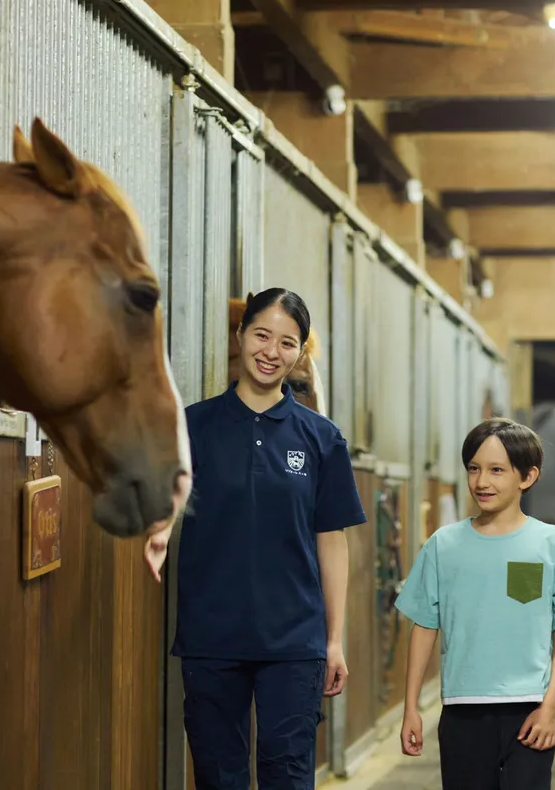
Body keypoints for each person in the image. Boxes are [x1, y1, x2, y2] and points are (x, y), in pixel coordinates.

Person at [143, 288, 367, 790]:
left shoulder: (322, 438)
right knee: (218, 776)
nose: (271, 352)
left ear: (300, 353)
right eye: (262, 335)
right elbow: (168, 494)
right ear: (241, 335)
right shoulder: (194, 425)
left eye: (287, 343)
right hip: (211, 634)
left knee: (287, 775)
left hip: (295, 640)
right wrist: (159, 531)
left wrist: (333, 640)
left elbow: (332, 540)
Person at [396, 417, 555, 790]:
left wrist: (549, 708)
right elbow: (424, 628)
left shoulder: (551, 543)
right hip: (462, 711)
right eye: (474, 469)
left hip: (530, 709)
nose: (482, 481)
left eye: (497, 470)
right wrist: (411, 709)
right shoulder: (443, 545)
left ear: (527, 476)